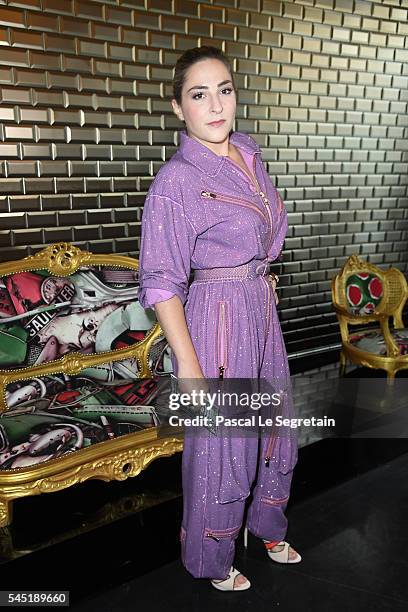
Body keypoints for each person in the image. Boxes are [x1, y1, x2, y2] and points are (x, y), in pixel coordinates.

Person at [137, 46, 300, 592]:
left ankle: (268, 524)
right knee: (222, 445)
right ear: (179, 108)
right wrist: (188, 363)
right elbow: (161, 280)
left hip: (259, 310)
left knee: (275, 425)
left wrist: (260, 275)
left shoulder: (249, 155)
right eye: (198, 94)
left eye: (224, 89)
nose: (215, 104)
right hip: (216, 321)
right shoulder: (177, 181)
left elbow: (257, 239)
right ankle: (210, 557)